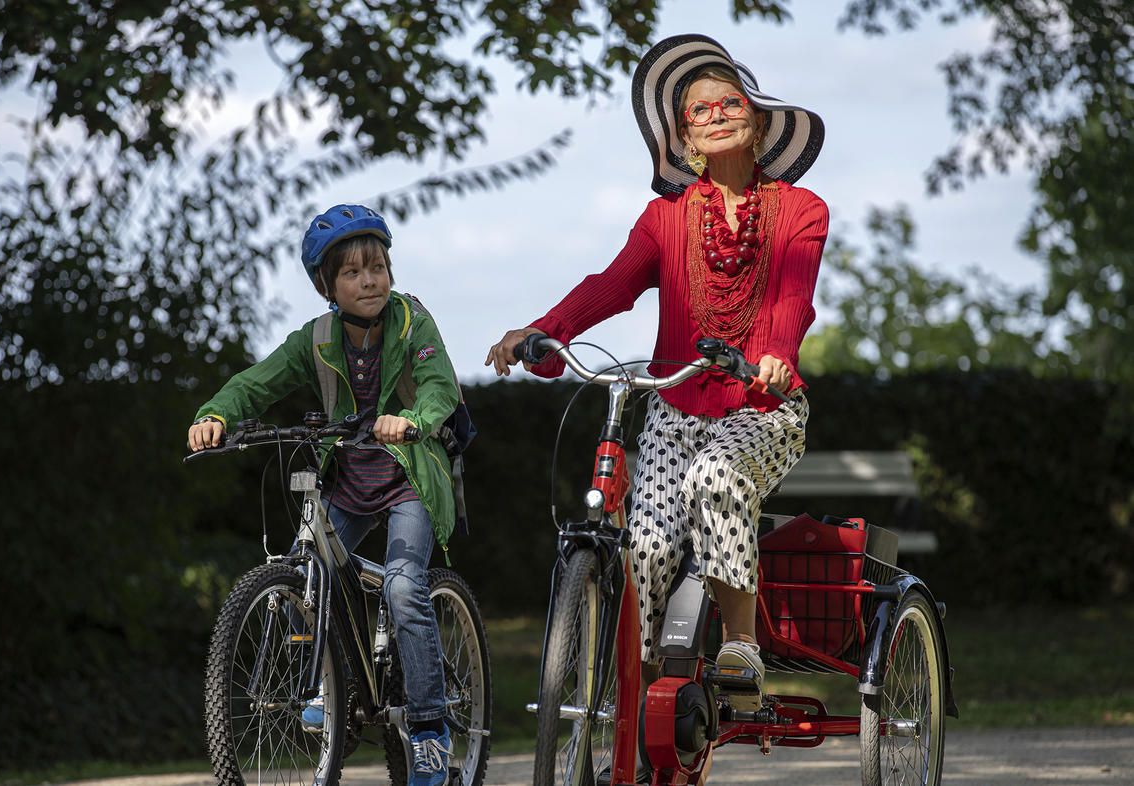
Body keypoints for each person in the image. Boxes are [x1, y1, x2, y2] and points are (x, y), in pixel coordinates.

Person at [486, 34, 828, 713]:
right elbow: (609, 286)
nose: (718, 114)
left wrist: (777, 359)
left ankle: (739, 645)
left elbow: (794, 297)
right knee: (644, 544)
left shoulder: (800, 209)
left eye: (732, 102)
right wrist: (544, 332)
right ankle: (641, 698)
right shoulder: (666, 217)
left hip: (764, 408)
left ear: (758, 123)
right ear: (685, 137)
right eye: (701, 110)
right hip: (676, 406)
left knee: (717, 478)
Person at [189, 204, 459, 786]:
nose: (370, 281)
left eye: (379, 267)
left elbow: (440, 390)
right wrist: (216, 414)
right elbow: (256, 384)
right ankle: (324, 684)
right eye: (353, 273)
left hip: (407, 479)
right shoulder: (315, 339)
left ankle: (432, 731)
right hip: (349, 482)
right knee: (297, 577)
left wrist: (410, 419)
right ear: (326, 286)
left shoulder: (414, 324)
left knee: (405, 582)